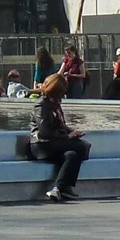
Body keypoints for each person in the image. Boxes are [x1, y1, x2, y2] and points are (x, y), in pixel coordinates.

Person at [30, 72, 89, 201]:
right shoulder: (41, 105)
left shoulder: (54, 104)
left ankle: (59, 188)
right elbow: (45, 133)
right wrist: (68, 137)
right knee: (81, 147)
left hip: (54, 143)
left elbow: (61, 125)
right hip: (41, 145)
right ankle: (64, 188)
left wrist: (72, 132)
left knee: (71, 155)